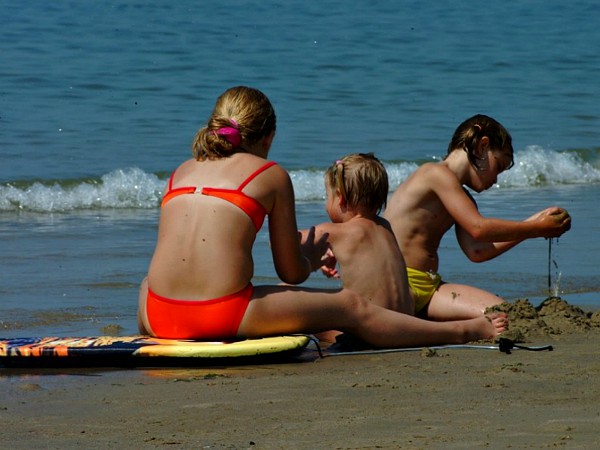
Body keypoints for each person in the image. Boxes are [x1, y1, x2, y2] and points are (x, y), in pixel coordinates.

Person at [137, 87, 507, 348]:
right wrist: (310, 258)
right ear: (268, 137)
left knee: (147, 282)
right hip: (218, 317)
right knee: (350, 306)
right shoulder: (269, 175)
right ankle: (465, 332)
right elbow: (291, 273)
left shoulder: (181, 171)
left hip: (155, 316)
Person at [382, 114, 572, 322]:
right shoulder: (435, 174)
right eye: (498, 166)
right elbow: (478, 228)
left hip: (428, 287)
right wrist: (536, 228)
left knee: (506, 314)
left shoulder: (462, 198)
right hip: (398, 283)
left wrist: (533, 224)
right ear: (482, 146)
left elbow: (478, 250)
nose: (496, 178)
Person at [303, 153, 414, 342]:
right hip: (405, 326)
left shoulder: (334, 231)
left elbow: (287, 241)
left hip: (371, 333)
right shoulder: (384, 226)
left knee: (300, 313)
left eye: (327, 196)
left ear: (341, 198)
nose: (325, 204)